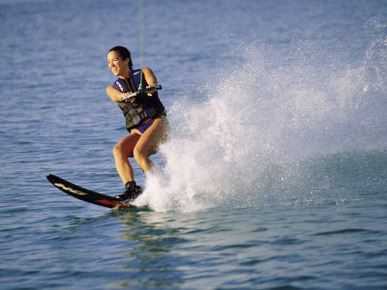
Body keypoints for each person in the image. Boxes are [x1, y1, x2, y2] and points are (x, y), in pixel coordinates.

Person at [106, 46, 169, 202]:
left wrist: (151, 88)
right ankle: (132, 189)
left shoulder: (144, 72)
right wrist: (123, 96)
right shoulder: (112, 88)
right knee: (118, 150)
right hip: (137, 132)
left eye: (115, 60)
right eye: (108, 62)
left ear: (126, 60)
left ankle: (161, 188)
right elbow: (115, 96)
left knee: (139, 153)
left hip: (157, 124)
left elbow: (152, 80)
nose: (111, 65)